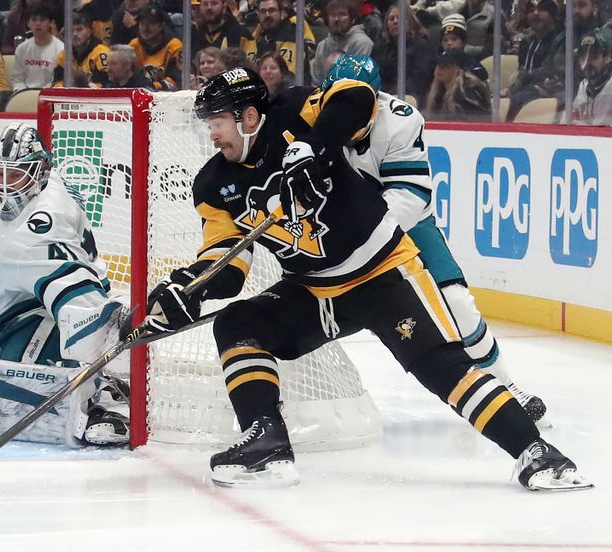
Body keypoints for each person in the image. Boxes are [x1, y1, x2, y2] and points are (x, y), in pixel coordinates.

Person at [144, 67, 591, 491]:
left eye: (218, 121)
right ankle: (267, 445)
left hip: (383, 274)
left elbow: (356, 96)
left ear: (249, 117)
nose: (212, 133)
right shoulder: (212, 185)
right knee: (237, 325)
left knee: (445, 369)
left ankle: (537, 453)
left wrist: (314, 147)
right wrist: (188, 289)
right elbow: (226, 265)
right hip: (314, 292)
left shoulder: (295, 111)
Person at [325, 53, 547, 426]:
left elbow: (410, 197)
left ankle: (506, 388)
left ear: (375, 98)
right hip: (342, 231)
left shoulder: (400, 123)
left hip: (405, 227)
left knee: (457, 302)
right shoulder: (311, 118)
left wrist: (362, 236)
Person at [0, 122, 130, 447]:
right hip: (19, 307)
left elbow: (73, 283)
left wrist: (91, 342)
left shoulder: (50, 217)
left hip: (59, 306)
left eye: (16, 175)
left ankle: (103, 390)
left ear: (40, 172)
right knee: (3, 357)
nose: (4, 186)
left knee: (31, 363)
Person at [248, 0, 317, 80]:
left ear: (282, 13)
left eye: (272, 10)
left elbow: (287, 77)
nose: (267, 15)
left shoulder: (293, 37)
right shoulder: (259, 38)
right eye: (263, 11)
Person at [311, 0, 374, 86]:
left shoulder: (362, 43)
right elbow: (317, 82)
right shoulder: (322, 46)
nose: (336, 19)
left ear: (352, 19)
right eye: (332, 15)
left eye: (342, 14)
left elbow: (356, 81)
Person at [424, 48, 490, 120]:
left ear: (458, 70)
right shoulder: (439, 92)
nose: (439, 68)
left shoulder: (467, 93)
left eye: (446, 66)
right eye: (438, 64)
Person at [9, 6, 64, 92]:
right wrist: (21, 93)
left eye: (42, 20)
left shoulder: (61, 49)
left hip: (48, 94)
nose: (38, 23)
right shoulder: (21, 48)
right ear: (28, 23)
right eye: (34, 20)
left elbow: (58, 81)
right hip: (23, 94)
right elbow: (17, 79)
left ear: (50, 23)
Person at [128, 5, 183, 90]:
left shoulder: (174, 46)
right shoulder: (134, 45)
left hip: (167, 96)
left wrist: (153, 87)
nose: (145, 29)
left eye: (152, 23)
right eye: (142, 23)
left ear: (161, 26)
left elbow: (177, 79)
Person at [53, 13, 110, 88]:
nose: (75, 34)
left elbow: (105, 82)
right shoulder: (64, 55)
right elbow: (56, 82)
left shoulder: (101, 53)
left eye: (79, 29)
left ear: (89, 32)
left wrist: (83, 87)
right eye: (71, 30)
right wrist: (63, 87)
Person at [573, 27, 612, 125]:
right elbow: (574, 122)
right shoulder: (583, 86)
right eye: (583, 57)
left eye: (594, 57)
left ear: (607, 58)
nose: (587, 63)